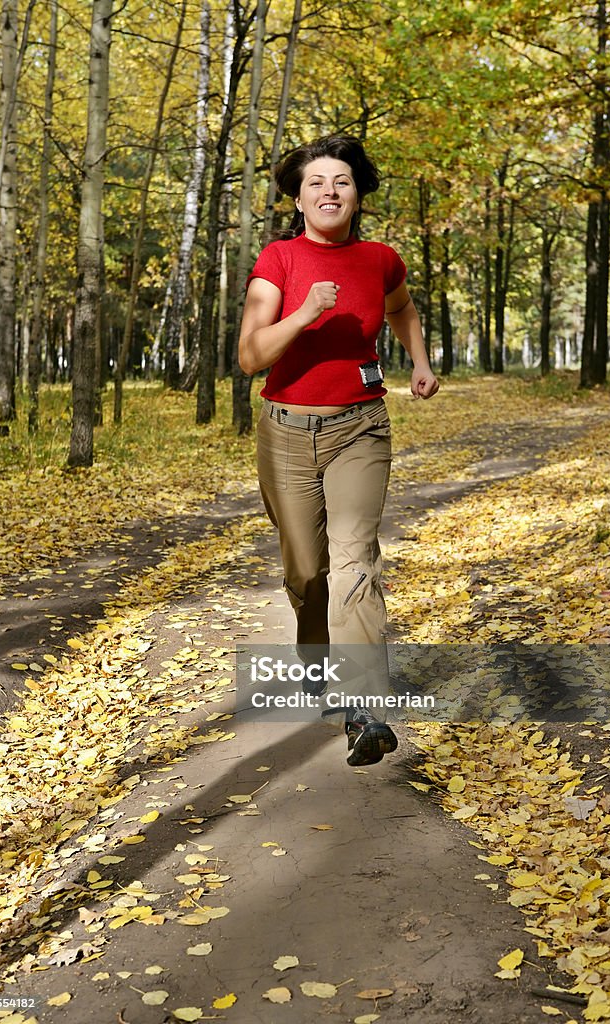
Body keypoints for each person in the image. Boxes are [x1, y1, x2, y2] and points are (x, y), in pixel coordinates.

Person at [239, 134, 439, 767]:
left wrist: (420, 362)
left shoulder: (380, 259)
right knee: (307, 573)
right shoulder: (279, 260)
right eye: (317, 182)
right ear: (297, 199)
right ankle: (314, 657)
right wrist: (302, 314)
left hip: (361, 427)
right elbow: (249, 357)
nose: (330, 191)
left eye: (343, 181)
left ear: (357, 195)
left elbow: (403, 309)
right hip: (286, 430)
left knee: (356, 562)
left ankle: (365, 709)